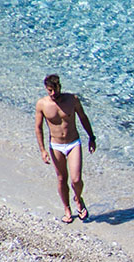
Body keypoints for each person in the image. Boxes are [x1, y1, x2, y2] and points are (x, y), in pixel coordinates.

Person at [35, 74, 96, 223]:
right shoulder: (42, 104)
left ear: (60, 86)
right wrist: (43, 150)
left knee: (76, 180)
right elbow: (38, 128)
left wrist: (91, 137)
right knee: (62, 178)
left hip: (73, 142)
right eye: (50, 90)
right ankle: (67, 208)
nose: (53, 93)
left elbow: (83, 117)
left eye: (55, 89)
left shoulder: (72, 100)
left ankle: (78, 199)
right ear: (46, 89)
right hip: (55, 145)